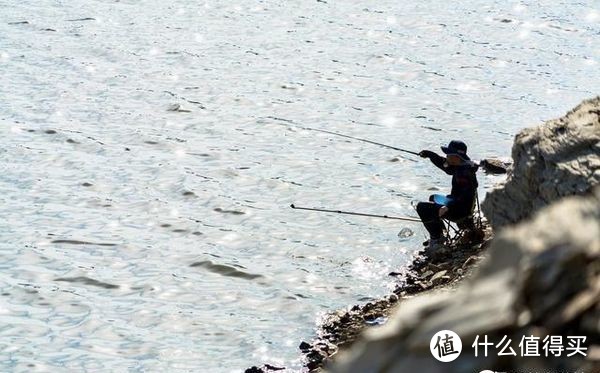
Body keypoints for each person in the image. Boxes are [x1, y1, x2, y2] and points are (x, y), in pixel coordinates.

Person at [416, 140, 479, 250]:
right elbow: (444, 165)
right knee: (433, 198)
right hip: (462, 206)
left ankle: (437, 239)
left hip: (460, 209)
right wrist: (430, 155)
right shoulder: (462, 165)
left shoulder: (463, 173)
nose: (446, 156)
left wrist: (447, 207)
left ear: (457, 156)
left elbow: (465, 195)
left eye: (449, 154)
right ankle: (442, 233)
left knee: (422, 207)